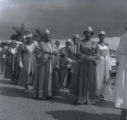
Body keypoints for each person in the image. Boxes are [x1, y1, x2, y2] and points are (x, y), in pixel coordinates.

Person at [70, 26, 97, 104]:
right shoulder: (80, 42)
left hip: (91, 64)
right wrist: (85, 57)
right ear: (85, 34)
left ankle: (90, 98)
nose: (88, 35)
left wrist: (92, 57)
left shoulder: (94, 43)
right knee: (82, 79)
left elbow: (97, 54)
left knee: (91, 80)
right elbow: (78, 52)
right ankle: (82, 98)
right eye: (87, 33)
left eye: (90, 33)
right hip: (83, 63)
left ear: (91, 34)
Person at [32, 29, 60, 99]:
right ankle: (42, 94)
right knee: (43, 78)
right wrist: (45, 56)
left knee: (51, 77)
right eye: (46, 36)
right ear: (44, 37)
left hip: (52, 64)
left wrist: (57, 63)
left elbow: (57, 54)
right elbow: (36, 51)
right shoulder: (41, 44)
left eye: (48, 36)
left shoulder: (53, 45)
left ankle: (50, 93)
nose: (47, 37)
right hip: (44, 64)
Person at [114, 28, 127, 120]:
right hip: (125, 64)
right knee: (124, 90)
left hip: (124, 63)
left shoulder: (123, 36)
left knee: (124, 90)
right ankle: (123, 116)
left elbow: (118, 54)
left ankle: (123, 115)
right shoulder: (125, 36)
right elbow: (121, 51)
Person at [96, 31, 111, 101]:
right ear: (99, 37)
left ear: (104, 37)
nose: (102, 37)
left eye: (103, 36)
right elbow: (96, 55)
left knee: (106, 78)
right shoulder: (97, 45)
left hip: (106, 62)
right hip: (100, 62)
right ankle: (97, 94)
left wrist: (109, 65)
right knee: (99, 77)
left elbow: (108, 54)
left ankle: (103, 94)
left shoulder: (107, 45)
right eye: (100, 36)